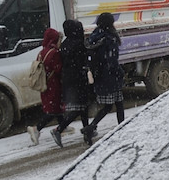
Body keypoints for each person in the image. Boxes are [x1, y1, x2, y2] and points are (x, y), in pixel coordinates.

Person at [80, 12, 125, 145]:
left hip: (100, 76)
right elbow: (112, 60)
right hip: (111, 76)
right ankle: (122, 128)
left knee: (109, 105)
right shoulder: (109, 38)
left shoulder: (95, 35)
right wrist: (119, 72)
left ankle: (92, 126)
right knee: (118, 104)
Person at [50, 20, 91, 148]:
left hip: (68, 79)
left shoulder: (65, 43)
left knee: (82, 107)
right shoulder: (79, 44)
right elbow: (83, 60)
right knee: (81, 108)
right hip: (79, 78)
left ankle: (87, 133)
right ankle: (59, 129)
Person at [27, 28, 64, 145]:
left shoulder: (42, 52)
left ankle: (63, 126)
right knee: (52, 110)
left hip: (45, 84)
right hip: (54, 85)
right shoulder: (54, 53)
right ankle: (36, 129)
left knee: (55, 107)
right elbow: (58, 69)